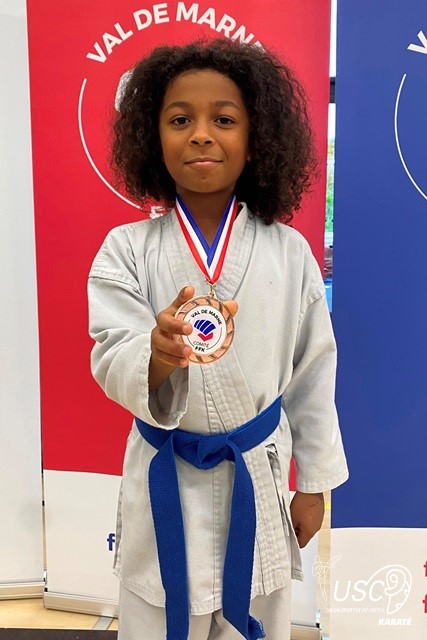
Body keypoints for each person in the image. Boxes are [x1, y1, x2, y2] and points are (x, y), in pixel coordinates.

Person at [88, 38, 348, 640]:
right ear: (153, 139)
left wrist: (312, 483)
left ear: (256, 140)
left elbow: (313, 373)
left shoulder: (289, 252)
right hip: (165, 480)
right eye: (180, 120)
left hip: (254, 476)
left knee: (255, 611)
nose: (201, 135)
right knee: (156, 613)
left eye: (224, 120)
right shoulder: (125, 249)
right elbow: (111, 351)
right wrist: (154, 354)